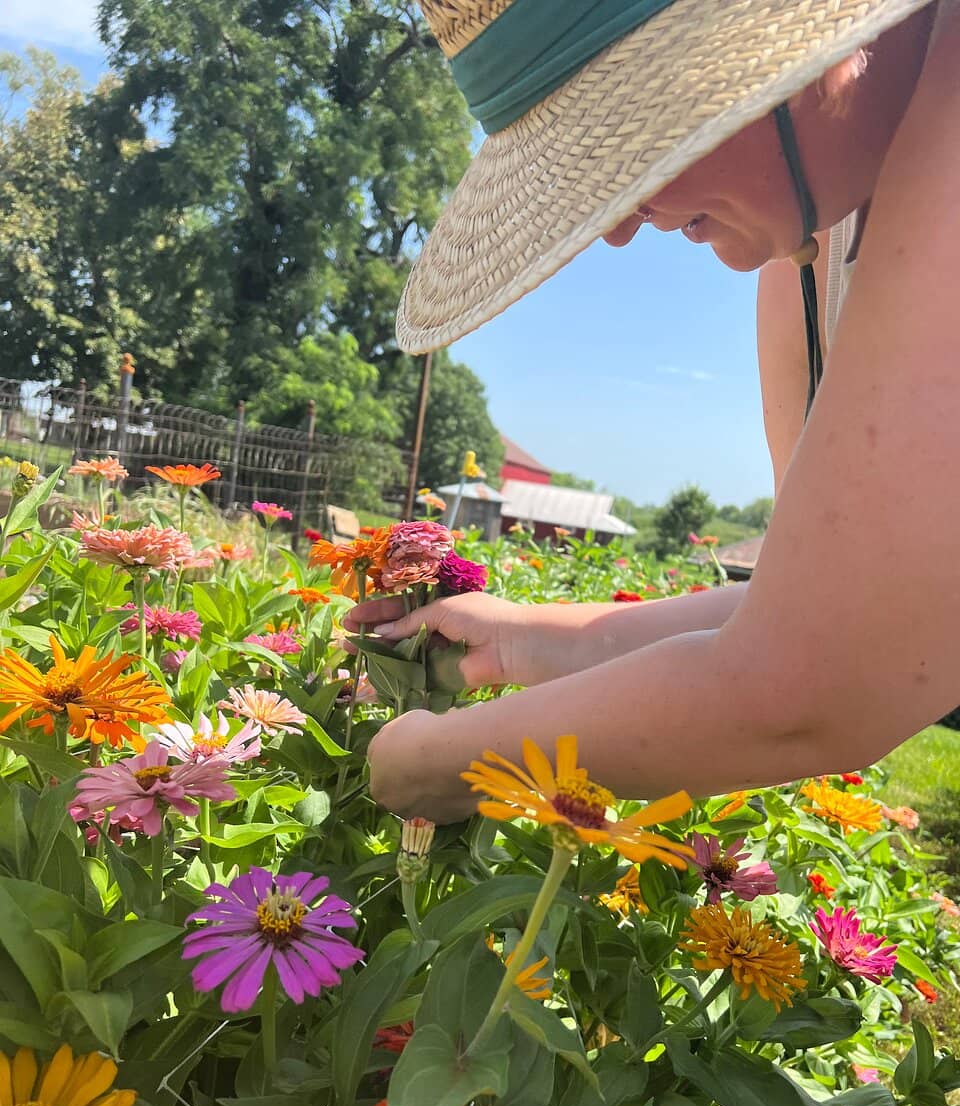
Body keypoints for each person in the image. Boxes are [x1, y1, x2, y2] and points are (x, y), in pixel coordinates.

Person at [346, 0, 960, 823]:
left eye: (631, 142)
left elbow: (807, 686)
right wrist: (527, 642)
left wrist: (441, 762)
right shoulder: (804, 248)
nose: (618, 228)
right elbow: (813, 601)